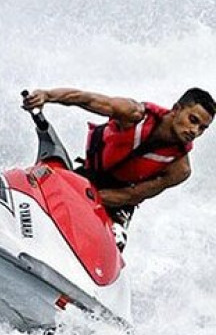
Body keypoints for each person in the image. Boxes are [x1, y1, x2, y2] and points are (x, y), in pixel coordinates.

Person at [22, 87, 214, 248]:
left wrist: (87, 199)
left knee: (116, 239)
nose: (195, 131)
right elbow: (86, 99)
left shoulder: (179, 169)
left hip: (118, 202)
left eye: (203, 128)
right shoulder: (134, 114)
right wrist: (46, 96)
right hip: (87, 176)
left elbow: (133, 196)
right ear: (176, 109)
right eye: (193, 120)